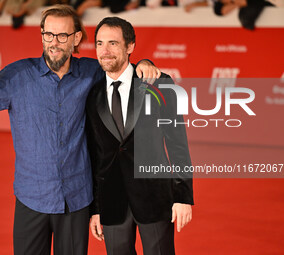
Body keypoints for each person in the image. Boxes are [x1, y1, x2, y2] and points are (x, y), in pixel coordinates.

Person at [0, 4, 160, 255]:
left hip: (76, 199)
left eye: (62, 36)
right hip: (32, 197)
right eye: (48, 35)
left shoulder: (91, 72)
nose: (54, 42)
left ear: (75, 38)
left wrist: (144, 63)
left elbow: (119, 69)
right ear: (42, 35)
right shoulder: (18, 75)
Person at [86, 17, 194, 255]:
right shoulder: (92, 95)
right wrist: (95, 208)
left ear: (130, 46)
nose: (105, 51)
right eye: (100, 43)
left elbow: (178, 144)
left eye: (113, 43)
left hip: (154, 196)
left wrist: (183, 196)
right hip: (112, 203)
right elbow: (95, 156)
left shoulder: (159, 84)